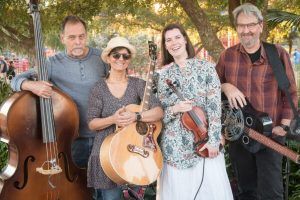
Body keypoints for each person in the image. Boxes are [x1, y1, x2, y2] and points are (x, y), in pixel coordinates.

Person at [216, 3, 298, 200]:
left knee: (272, 193)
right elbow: (212, 88)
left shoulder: (277, 54)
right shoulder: (227, 56)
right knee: (246, 192)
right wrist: (226, 86)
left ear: (260, 26)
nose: (246, 31)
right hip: (240, 136)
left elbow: (290, 94)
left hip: (270, 136)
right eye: (241, 26)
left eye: (251, 25)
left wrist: (284, 127)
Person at [10, 15, 108, 170]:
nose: (78, 42)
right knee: (78, 189)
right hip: (73, 140)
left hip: (103, 136)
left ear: (86, 36)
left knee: (106, 191)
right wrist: (31, 85)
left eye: (81, 36)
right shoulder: (52, 64)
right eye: (72, 37)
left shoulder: (102, 58)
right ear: (62, 38)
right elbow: (15, 81)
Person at [156, 23, 233, 200]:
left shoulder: (206, 67)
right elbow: (162, 114)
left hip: (204, 141)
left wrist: (213, 140)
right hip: (174, 146)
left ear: (184, 39)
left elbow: (215, 107)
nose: (173, 42)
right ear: (166, 45)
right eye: (168, 40)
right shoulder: (163, 75)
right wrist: (175, 108)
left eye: (177, 37)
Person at [86, 36, 164, 200]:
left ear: (129, 60)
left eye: (125, 56)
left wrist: (137, 116)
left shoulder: (138, 84)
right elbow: (92, 123)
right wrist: (113, 119)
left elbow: (159, 112)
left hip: (133, 153)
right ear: (108, 58)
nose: (121, 59)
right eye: (116, 55)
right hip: (107, 155)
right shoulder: (98, 88)